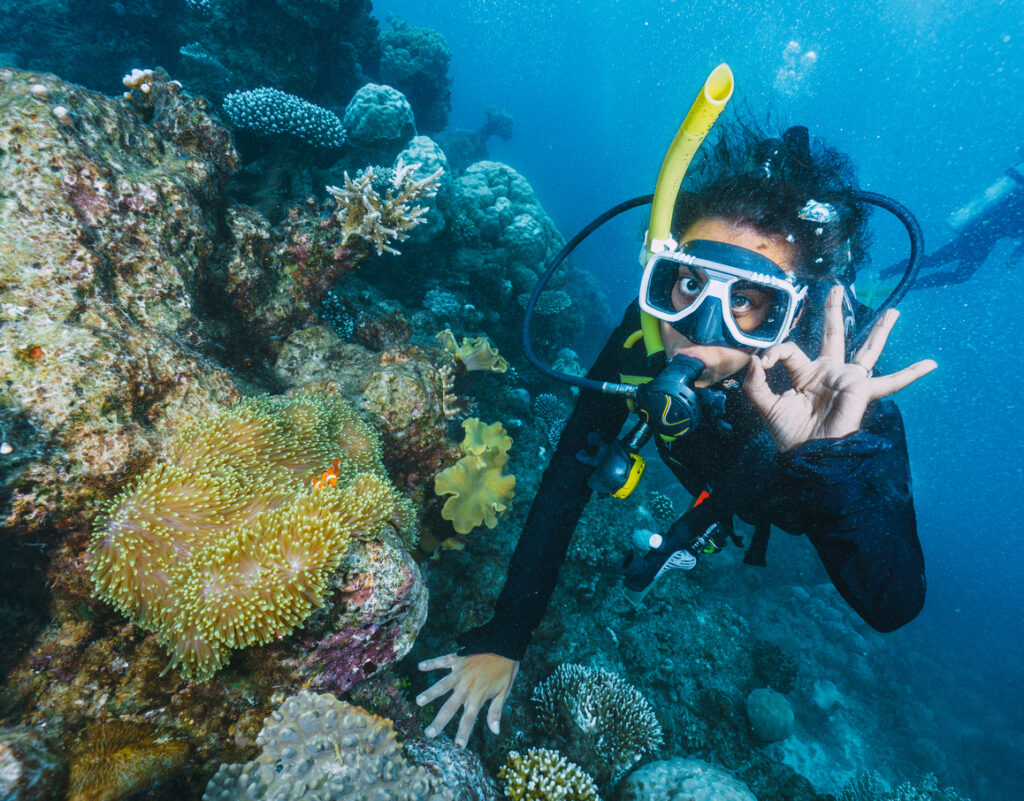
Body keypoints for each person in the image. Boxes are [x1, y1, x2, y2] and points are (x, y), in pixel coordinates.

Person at [416, 124, 937, 748]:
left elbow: (894, 604)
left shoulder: (845, 399)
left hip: (791, 499)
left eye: (746, 299)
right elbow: (564, 485)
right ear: (661, 275)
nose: (699, 328)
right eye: (689, 282)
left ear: (790, 314)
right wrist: (508, 635)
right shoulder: (643, 336)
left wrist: (828, 460)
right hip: (711, 487)